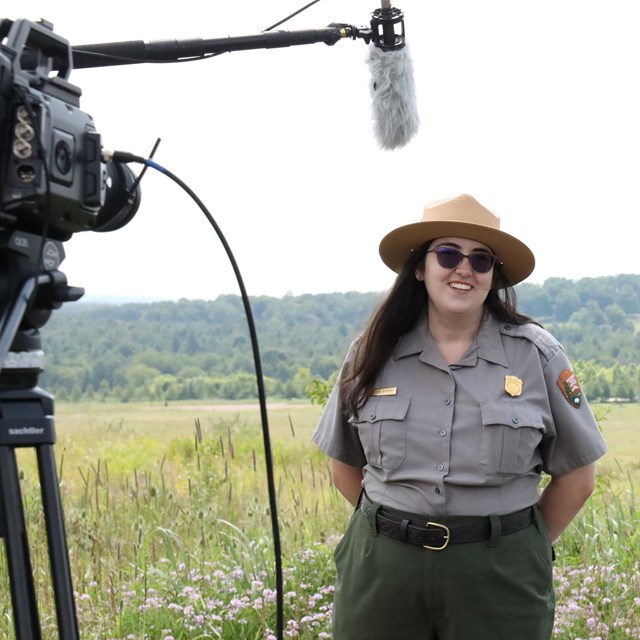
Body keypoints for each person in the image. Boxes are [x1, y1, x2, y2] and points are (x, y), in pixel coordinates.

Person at [312, 194, 607, 640]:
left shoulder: (536, 355)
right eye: (448, 253)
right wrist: (396, 530)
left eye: (481, 259)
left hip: (499, 575)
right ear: (420, 267)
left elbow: (579, 478)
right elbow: (344, 466)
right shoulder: (372, 351)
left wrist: (517, 548)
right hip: (383, 573)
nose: (463, 268)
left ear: (493, 275)